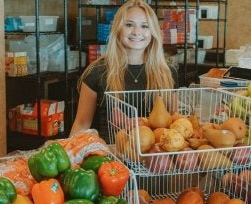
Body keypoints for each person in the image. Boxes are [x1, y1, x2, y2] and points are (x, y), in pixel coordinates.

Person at [70, 0, 178, 142]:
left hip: (155, 158)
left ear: (153, 32)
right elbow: (81, 124)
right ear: (118, 29)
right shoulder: (97, 72)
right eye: (129, 25)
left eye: (145, 26)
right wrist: (71, 155)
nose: (137, 32)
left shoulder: (167, 72)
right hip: (111, 157)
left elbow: (173, 120)